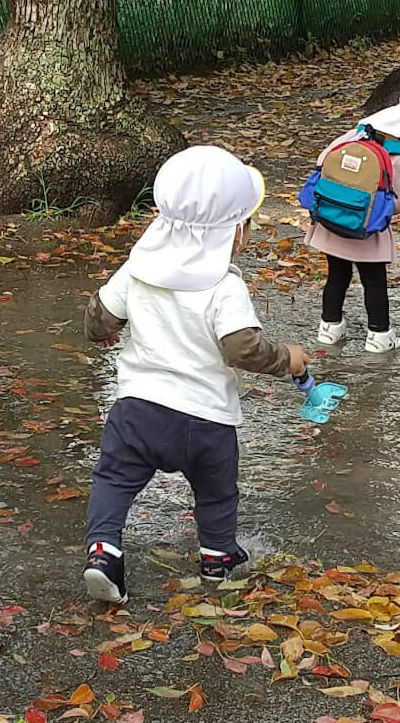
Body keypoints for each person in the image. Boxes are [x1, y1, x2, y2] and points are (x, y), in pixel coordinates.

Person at [80, 146, 307, 604]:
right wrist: (289, 358)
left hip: (137, 412)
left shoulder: (138, 269)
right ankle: (218, 558)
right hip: (207, 420)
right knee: (217, 493)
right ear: (234, 233)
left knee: (113, 481)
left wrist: (109, 328)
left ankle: (104, 552)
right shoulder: (224, 285)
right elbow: (242, 347)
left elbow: (98, 321)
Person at [302, 89, 400, 352]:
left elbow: (323, 160)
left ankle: (329, 329)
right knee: (374, 284)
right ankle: (379, 335)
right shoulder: (399, 156)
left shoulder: (359, 133)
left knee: (336, 277)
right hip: (367, 232)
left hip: (331, 223)